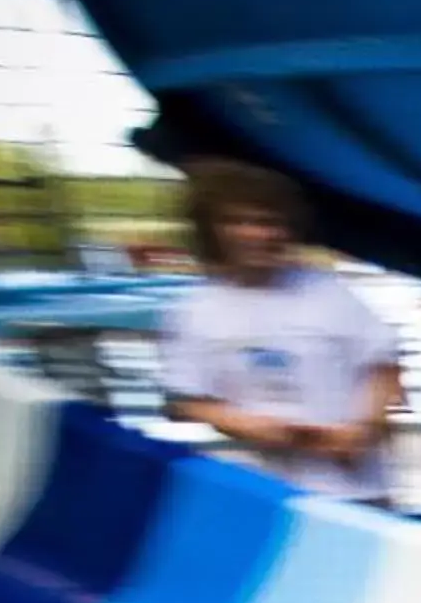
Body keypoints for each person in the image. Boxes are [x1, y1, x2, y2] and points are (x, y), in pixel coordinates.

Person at [159, 159, 405, 503]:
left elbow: (385, 365)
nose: (257, 235)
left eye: (268, 223)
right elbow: (186, 400)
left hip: (358, 491)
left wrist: (364, 428)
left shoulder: (329, 290)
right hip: (265, 496)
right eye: (238, 222)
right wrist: (250, 426)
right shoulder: (194, 310)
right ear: (212, 230)